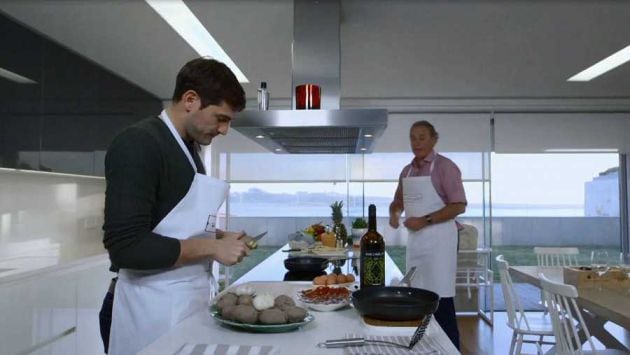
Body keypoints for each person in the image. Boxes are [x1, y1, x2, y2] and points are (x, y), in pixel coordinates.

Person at [99, 58, 251, 355]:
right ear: (190, 100)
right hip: (147, 309)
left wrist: (218, 236)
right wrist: (212, 249)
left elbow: (168, 220)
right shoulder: (138, 143)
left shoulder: (188, 150)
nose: (225, 130)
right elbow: (125, 246)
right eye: (221, 118)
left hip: (182, 303)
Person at [389, 120, 466, 350]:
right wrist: (394, 213)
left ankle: (452, 349)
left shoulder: (445, 167)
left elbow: (459, 205)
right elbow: (398, 200)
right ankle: (424, 347)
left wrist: (424, 220)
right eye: (413, 137)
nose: (416, 142)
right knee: (418, 296)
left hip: (441, 240)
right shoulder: (407, 170)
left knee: (440, 299)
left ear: (434, 139)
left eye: (422, 137)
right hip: (417, 240)